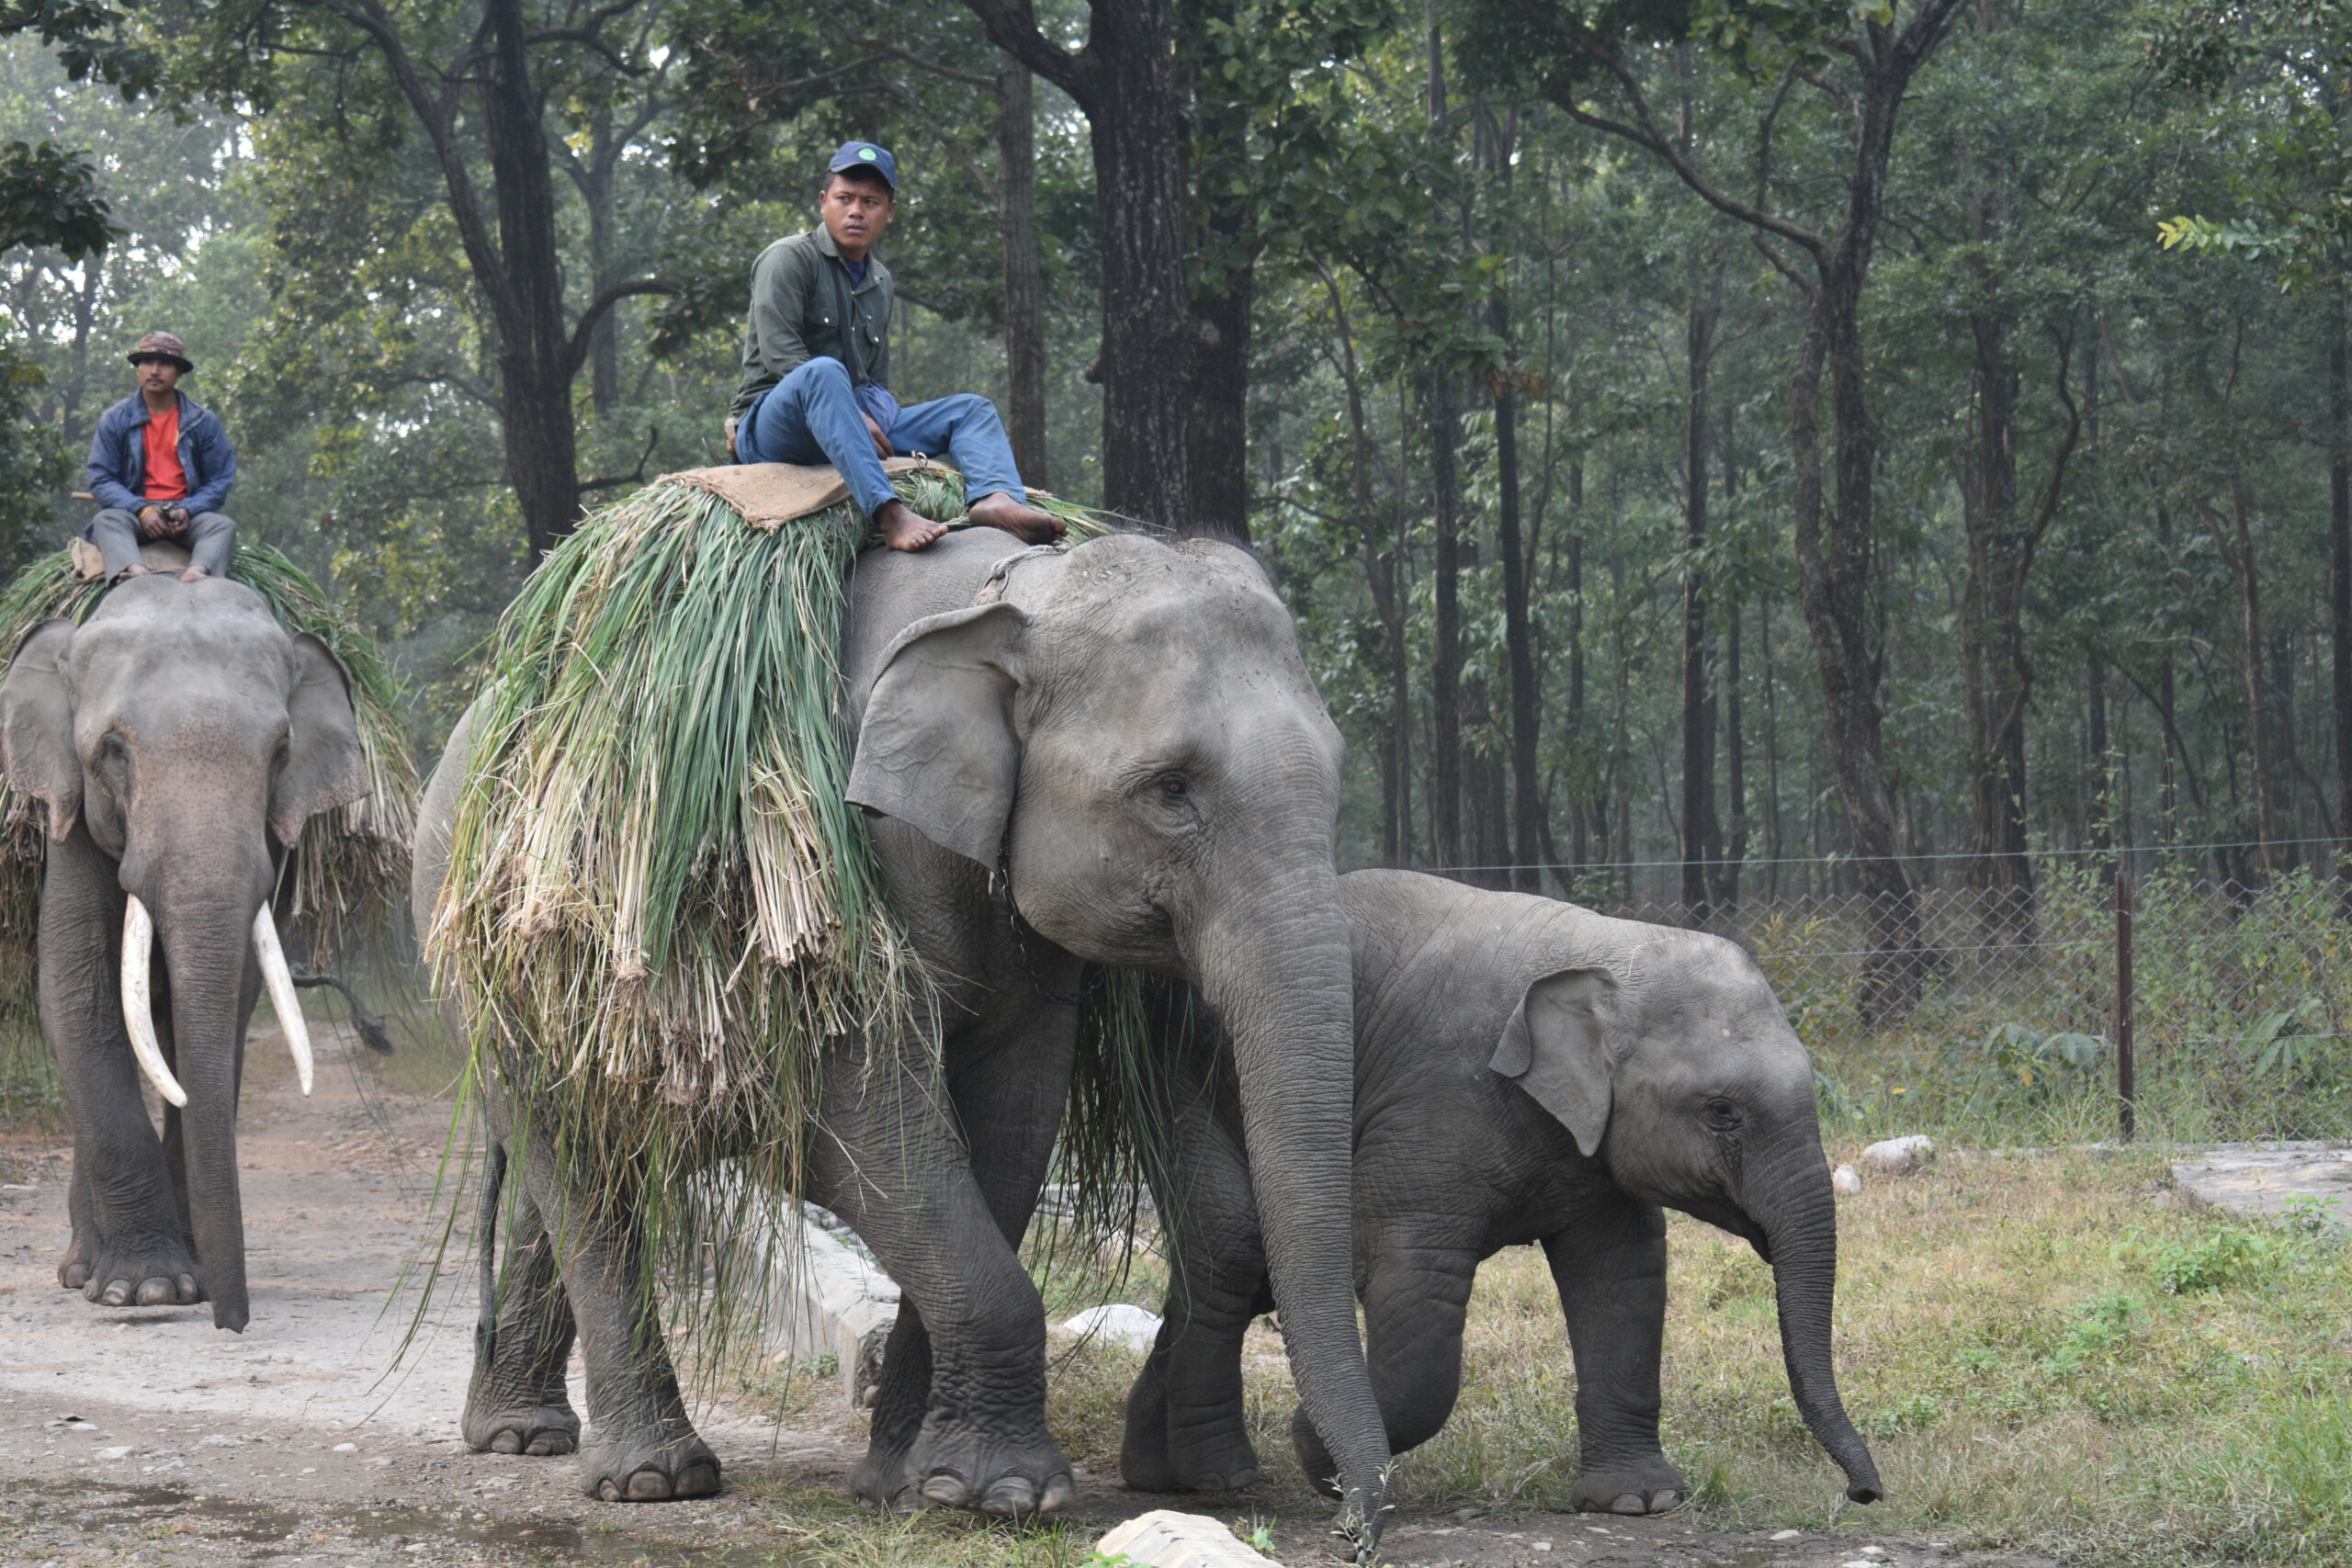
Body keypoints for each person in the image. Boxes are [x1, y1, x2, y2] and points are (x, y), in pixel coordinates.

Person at [729, 141, 1064, 552]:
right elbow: (783, 358)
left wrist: (868, 414)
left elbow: (874, 376)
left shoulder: (880, 281)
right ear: (823, 202)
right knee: (823, 371)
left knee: (971, 409)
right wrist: (852, 413)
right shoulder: (788, 258)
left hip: (849, 418)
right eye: (844, 199)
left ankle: (994, 498)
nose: (856, 211)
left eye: (870, 202)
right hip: (777, 425)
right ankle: (891, 514)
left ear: (889, 212)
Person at [85, 331, 238, 584]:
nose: (154, 370)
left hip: (186, 515)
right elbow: (102, 479)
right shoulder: (115, 419)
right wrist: (141, 509)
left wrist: (189, 509)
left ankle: (197, 572)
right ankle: (134, 572)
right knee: (106, 520)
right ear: (138, 369)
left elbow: (220, 479)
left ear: (179, 372)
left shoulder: (203, 421)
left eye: (165, 364)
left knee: (223, 526)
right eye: (147, 362)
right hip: (135, 513)